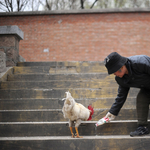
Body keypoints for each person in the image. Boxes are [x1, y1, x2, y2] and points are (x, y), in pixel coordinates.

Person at [101, 52, 150, 137]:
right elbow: (121, 97)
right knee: (141, 98)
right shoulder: (121, 79)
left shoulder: (141, 63)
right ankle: (143, 127)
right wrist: (111, 113)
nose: (114, 74)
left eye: (114, 72)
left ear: (121, 67)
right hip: (147, 88)